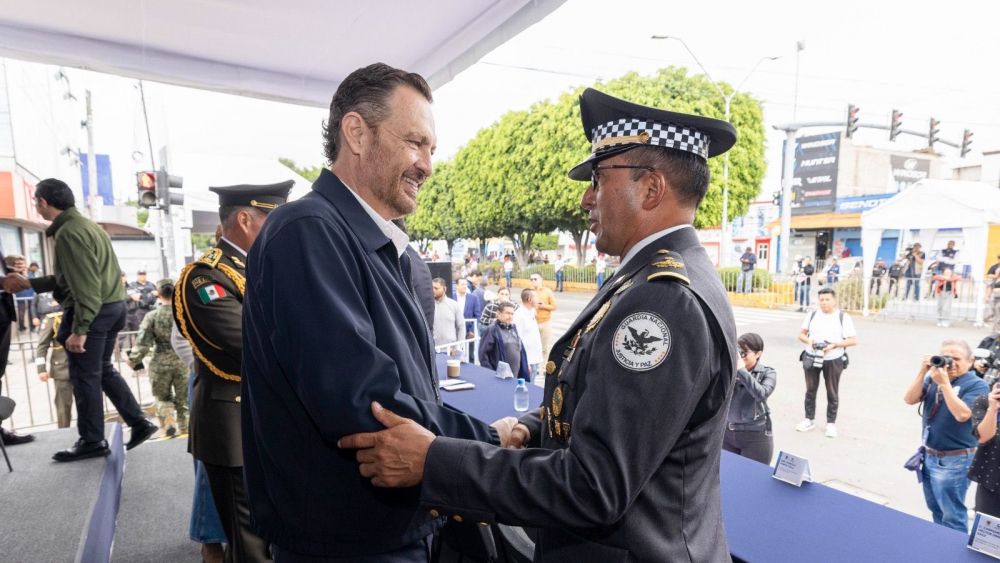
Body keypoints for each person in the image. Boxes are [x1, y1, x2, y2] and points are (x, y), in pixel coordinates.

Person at [339, 87, 740, 561]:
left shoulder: (663, 300)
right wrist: (534, 428)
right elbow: (607, 408)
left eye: (597, 178)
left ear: (651, 188)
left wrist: (434, 460)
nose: (586, 198)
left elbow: (594, 487)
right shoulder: (652, 279)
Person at [240, 63, 515, 561]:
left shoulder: (393, 252)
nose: (427, 165)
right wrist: (488, 439)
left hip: (397, 527)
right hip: (345, 542)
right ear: (357, 133)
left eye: (431, 149)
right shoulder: (307, 231)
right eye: (415, 143)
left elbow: (415, 391)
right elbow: (365, 404)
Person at [174, 182, 291, 562]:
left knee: (280, 536)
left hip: (272, 421)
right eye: (274, 219)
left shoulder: (266, 267)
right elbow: (249, 341)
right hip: (234, 427)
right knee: (251, 546)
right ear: (244, 219)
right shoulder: (204, 278)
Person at [2, 179, 156, 461]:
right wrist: (30, 284)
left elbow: (85, 286)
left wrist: (80, 329)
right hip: (112, 307)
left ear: (43, 202)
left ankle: (92, 440)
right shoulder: (86, 227)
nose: (37, 206)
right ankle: (139, 422)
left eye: (37, 202)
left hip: (93, 312)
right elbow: (70, 279)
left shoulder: (69, 233)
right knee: (102, 370)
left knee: (85, 376)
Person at [903, 340, 989, 532]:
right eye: (946, 357)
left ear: (970, 361)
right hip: (929, 454)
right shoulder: (934, 377)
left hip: (956, 459)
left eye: (956, 359)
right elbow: (909, 399)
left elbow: (963, 415)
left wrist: (945, 385)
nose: (950, 363)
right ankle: (940, 545)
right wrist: (922, 372)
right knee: (935, 509)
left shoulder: (977, 385)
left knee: (952, 515)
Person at [171, 322, 226, 563]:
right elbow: (180, 338)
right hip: (211, 377)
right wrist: (204, 367)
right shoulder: (193, 283)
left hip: (254, 375)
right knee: (210, 462)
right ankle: (210, 541)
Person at [128, 279, 188, 437]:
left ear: (158, 294)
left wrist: (133, 359)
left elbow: (143, 343)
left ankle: (168, 421)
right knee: (184, 400)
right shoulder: (184, 313)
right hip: (183, 360)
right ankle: (186, 428)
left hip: (160, 361)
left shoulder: (152, 316)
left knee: (162, 397)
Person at [796, 287, 857, 438]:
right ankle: (808, 419)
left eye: (827, 299)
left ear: (834, 300)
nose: (823, 303)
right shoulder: (812, 315)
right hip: (811, 356)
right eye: (821, 300)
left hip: (833, 359)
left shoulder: (843, 317)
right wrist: (810, 341)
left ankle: (831, 424)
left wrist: (834, 345)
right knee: (810, 390)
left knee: (832, 392)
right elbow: (801, 334)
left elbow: (853, 340)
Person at [723, 333, 776, 465]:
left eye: (744, 352)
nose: (740, 356)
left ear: (758, 354)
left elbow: (761, 394)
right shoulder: (729, 369)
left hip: (755, 436)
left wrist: (741, 371)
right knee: (727, 477)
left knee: (753, 478)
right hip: (727, 432)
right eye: (738, 351)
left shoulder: (768, 373)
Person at [35, 306, 72, 428]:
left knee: (88, 405)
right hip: (62, 368)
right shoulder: (53, 319)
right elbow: (42, 345)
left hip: (84, 368)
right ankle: (63, 433)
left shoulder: (83, 314)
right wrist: (41, 369)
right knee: (63, 407)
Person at [969, 381, 1000, 519]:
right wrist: (993, 408)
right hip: (992, 482)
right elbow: (984, 437)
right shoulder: (985, 401)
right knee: (985, 535)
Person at [478, 302, 531, 379]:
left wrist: (526, 365)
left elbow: (520, 350)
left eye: (512, 314)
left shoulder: (513, 328)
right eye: (508, 313)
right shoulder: (492, 330)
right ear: (498, 314)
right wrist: (491, 374)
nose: (510, 316)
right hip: (500, 378)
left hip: (516, 377)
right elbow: (483, 355)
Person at [513, 288, 543, 380]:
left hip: (535, 357)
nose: (538, 299)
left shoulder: (532, 311)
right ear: (529, 299)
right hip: (528, 360)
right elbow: (517, 339)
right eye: (536, 297)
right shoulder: (519, 315)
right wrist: (526, 362)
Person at [431, 277, 463, 353]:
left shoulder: (454, 305)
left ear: (444, 289)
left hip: (451, 351)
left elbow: (461, 327)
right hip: (434, 350)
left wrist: (458, 347)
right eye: (432, 288)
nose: (433, 290)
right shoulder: (428, 306)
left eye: (436, 288)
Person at [530, 272, 557, 360]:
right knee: (533, 346)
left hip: (545, 323)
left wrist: (543, 306)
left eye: (535, 279)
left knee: (544, 348)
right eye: (531, 279)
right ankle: (534, 366)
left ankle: (543, 368)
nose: (533, 281)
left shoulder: (547, 291)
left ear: (541, 280)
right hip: (533, 323)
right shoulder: (529, 292)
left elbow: (554, 306)